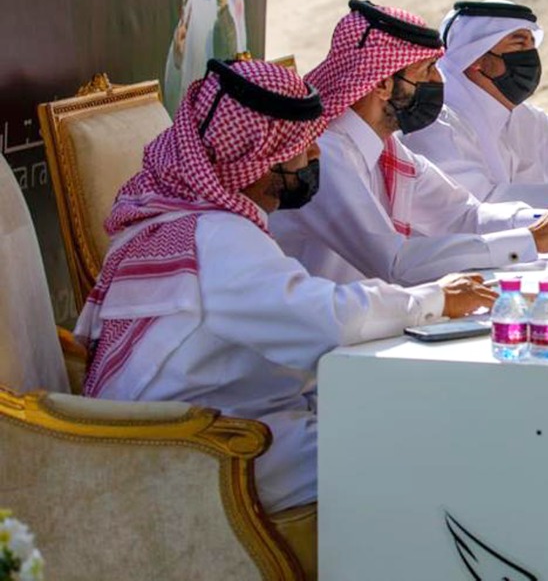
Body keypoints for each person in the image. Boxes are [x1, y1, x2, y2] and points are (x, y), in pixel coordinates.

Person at [75, 58, 496, 519]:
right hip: (209, 452)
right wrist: (435, 300)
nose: (316, 157)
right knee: (426, 454)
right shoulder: (215, 236)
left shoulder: (176, 220)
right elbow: (324, 321)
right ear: (252, 159)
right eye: (299, 146)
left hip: (220, 428)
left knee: (414, 424)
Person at [271, 0, 548, 286]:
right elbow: (394, 262)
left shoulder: (384, 147)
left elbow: (463, 215)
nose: (438, 81)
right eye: (426, 71)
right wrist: (530, 240)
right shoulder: (325, 151)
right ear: (384, 84)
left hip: (372, 322)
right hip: (318, 340)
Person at [403, 0, 548, 208]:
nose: (530, 56)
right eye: (519, 44)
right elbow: (478, 206)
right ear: (476, 58)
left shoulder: (520, 115)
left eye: (532, 45)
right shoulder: (437, 122)